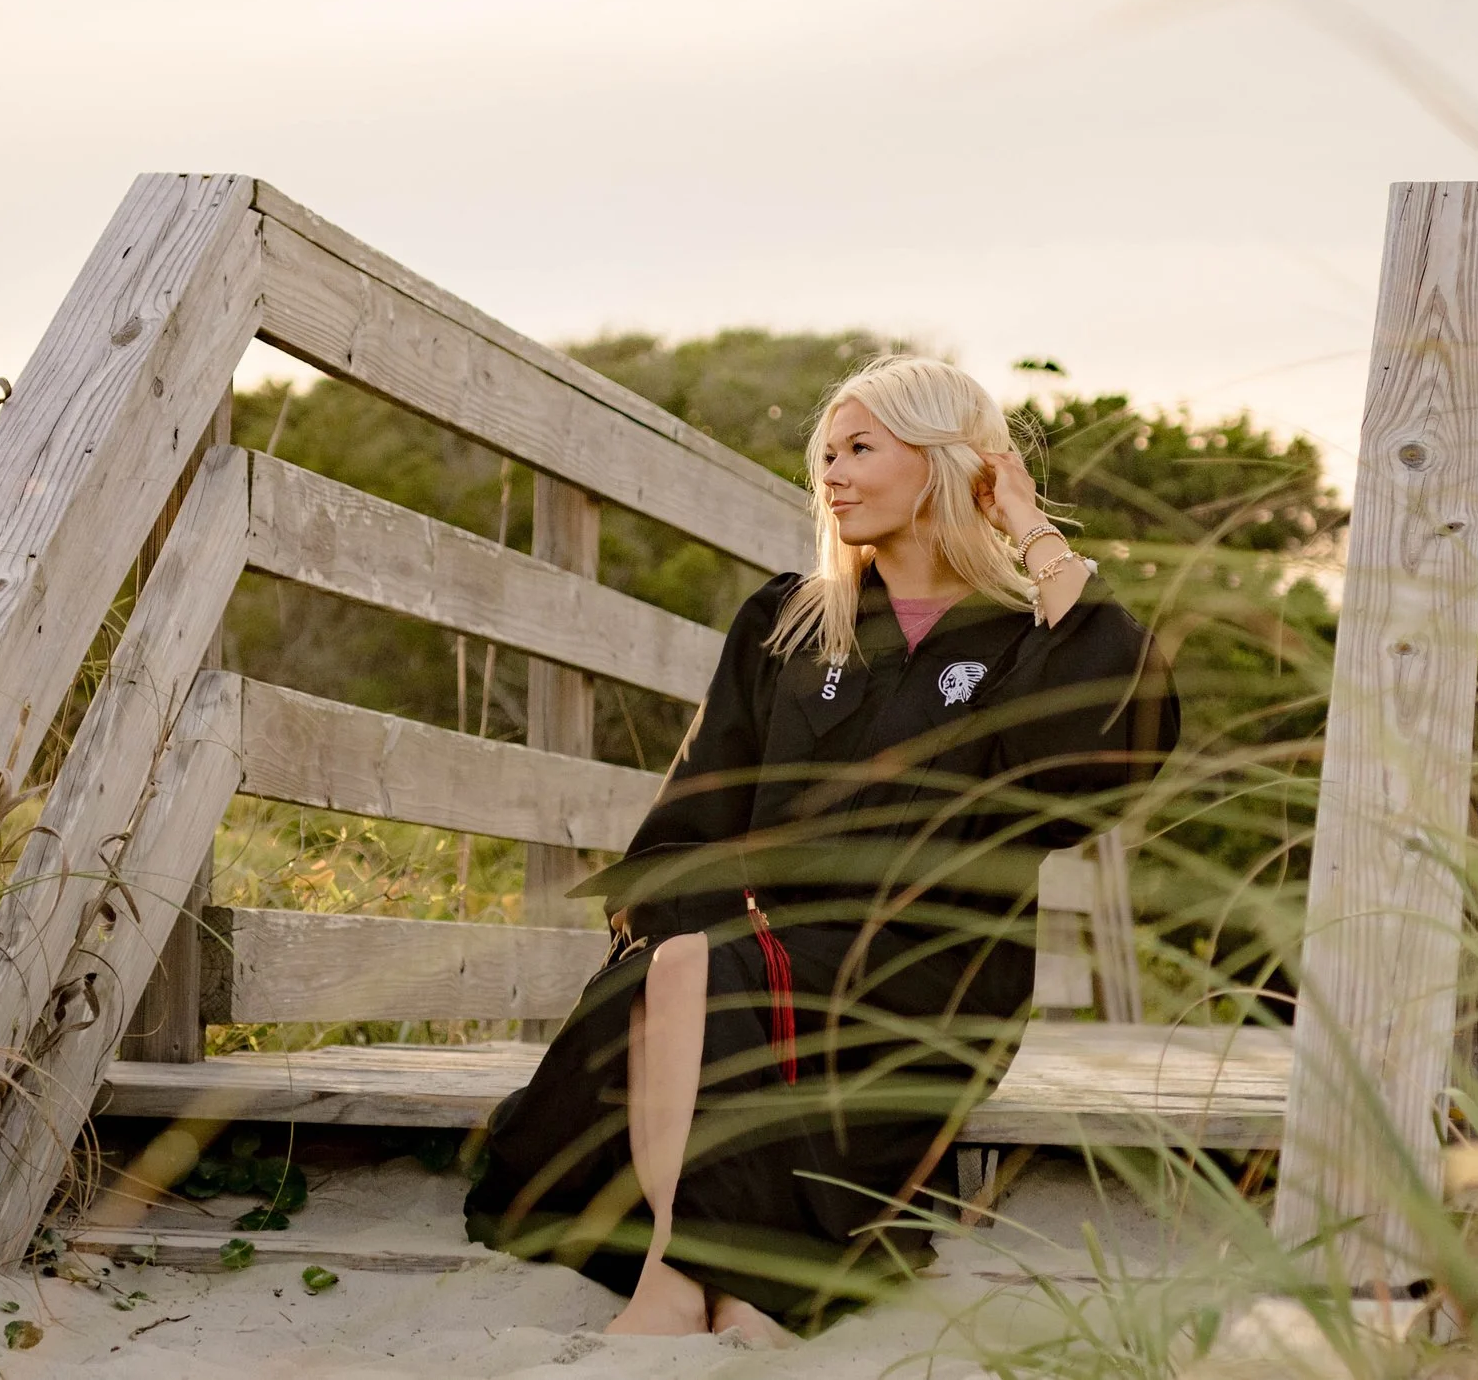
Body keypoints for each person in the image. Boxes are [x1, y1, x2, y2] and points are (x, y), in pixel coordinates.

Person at [463, 355, 1179, 1341]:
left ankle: (687, 1286)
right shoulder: (789, 621)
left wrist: (1030, 523)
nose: (831, 474)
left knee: (713, 978)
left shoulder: (1023, 640)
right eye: (826, 455)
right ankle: (710, 1286)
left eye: (860, 448)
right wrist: (683, 908)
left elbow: (1101, 747)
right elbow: (699, 804)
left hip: (931, 956)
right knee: (687, 962)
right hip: (758, 931)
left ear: (942, 462)